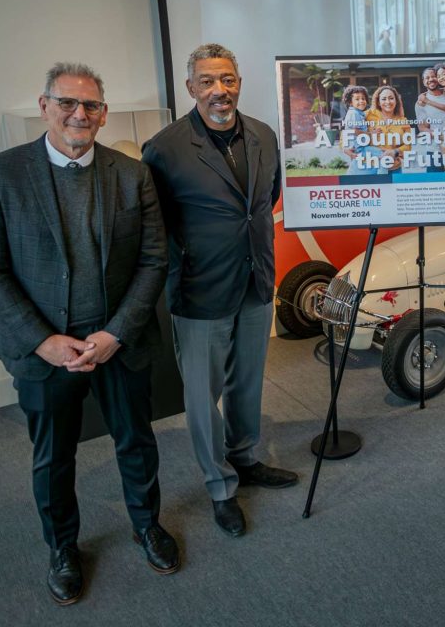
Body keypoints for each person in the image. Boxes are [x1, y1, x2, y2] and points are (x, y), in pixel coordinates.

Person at [0, 62, 177, 606]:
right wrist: (43, 341)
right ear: (44, 107)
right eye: (67, 103)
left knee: (136, 443)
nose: (78, 114)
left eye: (90, 105)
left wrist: (115, 333)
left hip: (117, 343)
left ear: (103, 114)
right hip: (46, 350)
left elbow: (154, 261)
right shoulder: (1, 173)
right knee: (53, 457)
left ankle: (147, 525)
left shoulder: (131, 174)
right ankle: (63, 547)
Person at [142, 44, 299, 539]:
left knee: (247, 382)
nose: (219, 90)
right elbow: (154, 226)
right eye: (207, 81)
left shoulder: (264, 135)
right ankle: (219, 486)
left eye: (227, 79)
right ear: (191, 88)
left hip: (256, 281)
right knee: (202, 396)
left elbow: (266, 199)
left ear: (239, 83)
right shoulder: (164, 149)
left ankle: (245, 457)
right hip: (199, 290)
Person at [366, 83, 412, 173]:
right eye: (384, 99)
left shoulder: (403, 121)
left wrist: (395, 151)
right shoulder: (368, 116)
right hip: (371, 168)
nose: (388, 102)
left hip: (394, 168)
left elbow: (408, 146)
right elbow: (351, 129)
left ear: (396, 101)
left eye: (391, 98)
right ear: (378, 102)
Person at [340, 84, 383, 175]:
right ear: (350, 102)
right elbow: (355, 131)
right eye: (357, 99)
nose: (361, 101)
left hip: (360, 147)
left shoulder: (359, 113)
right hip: (359, 148)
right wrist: (371, 133)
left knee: (365, 165)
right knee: (383, 155)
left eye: (363, 98)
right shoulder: (354, 113)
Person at [413, 67, 445, 173]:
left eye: (433, 76)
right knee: (435, 182)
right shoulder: (421, 103)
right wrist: (442, 136)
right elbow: (422, 128)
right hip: (434, 150)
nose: (431, 79)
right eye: (427, 78)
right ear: (424, 82)